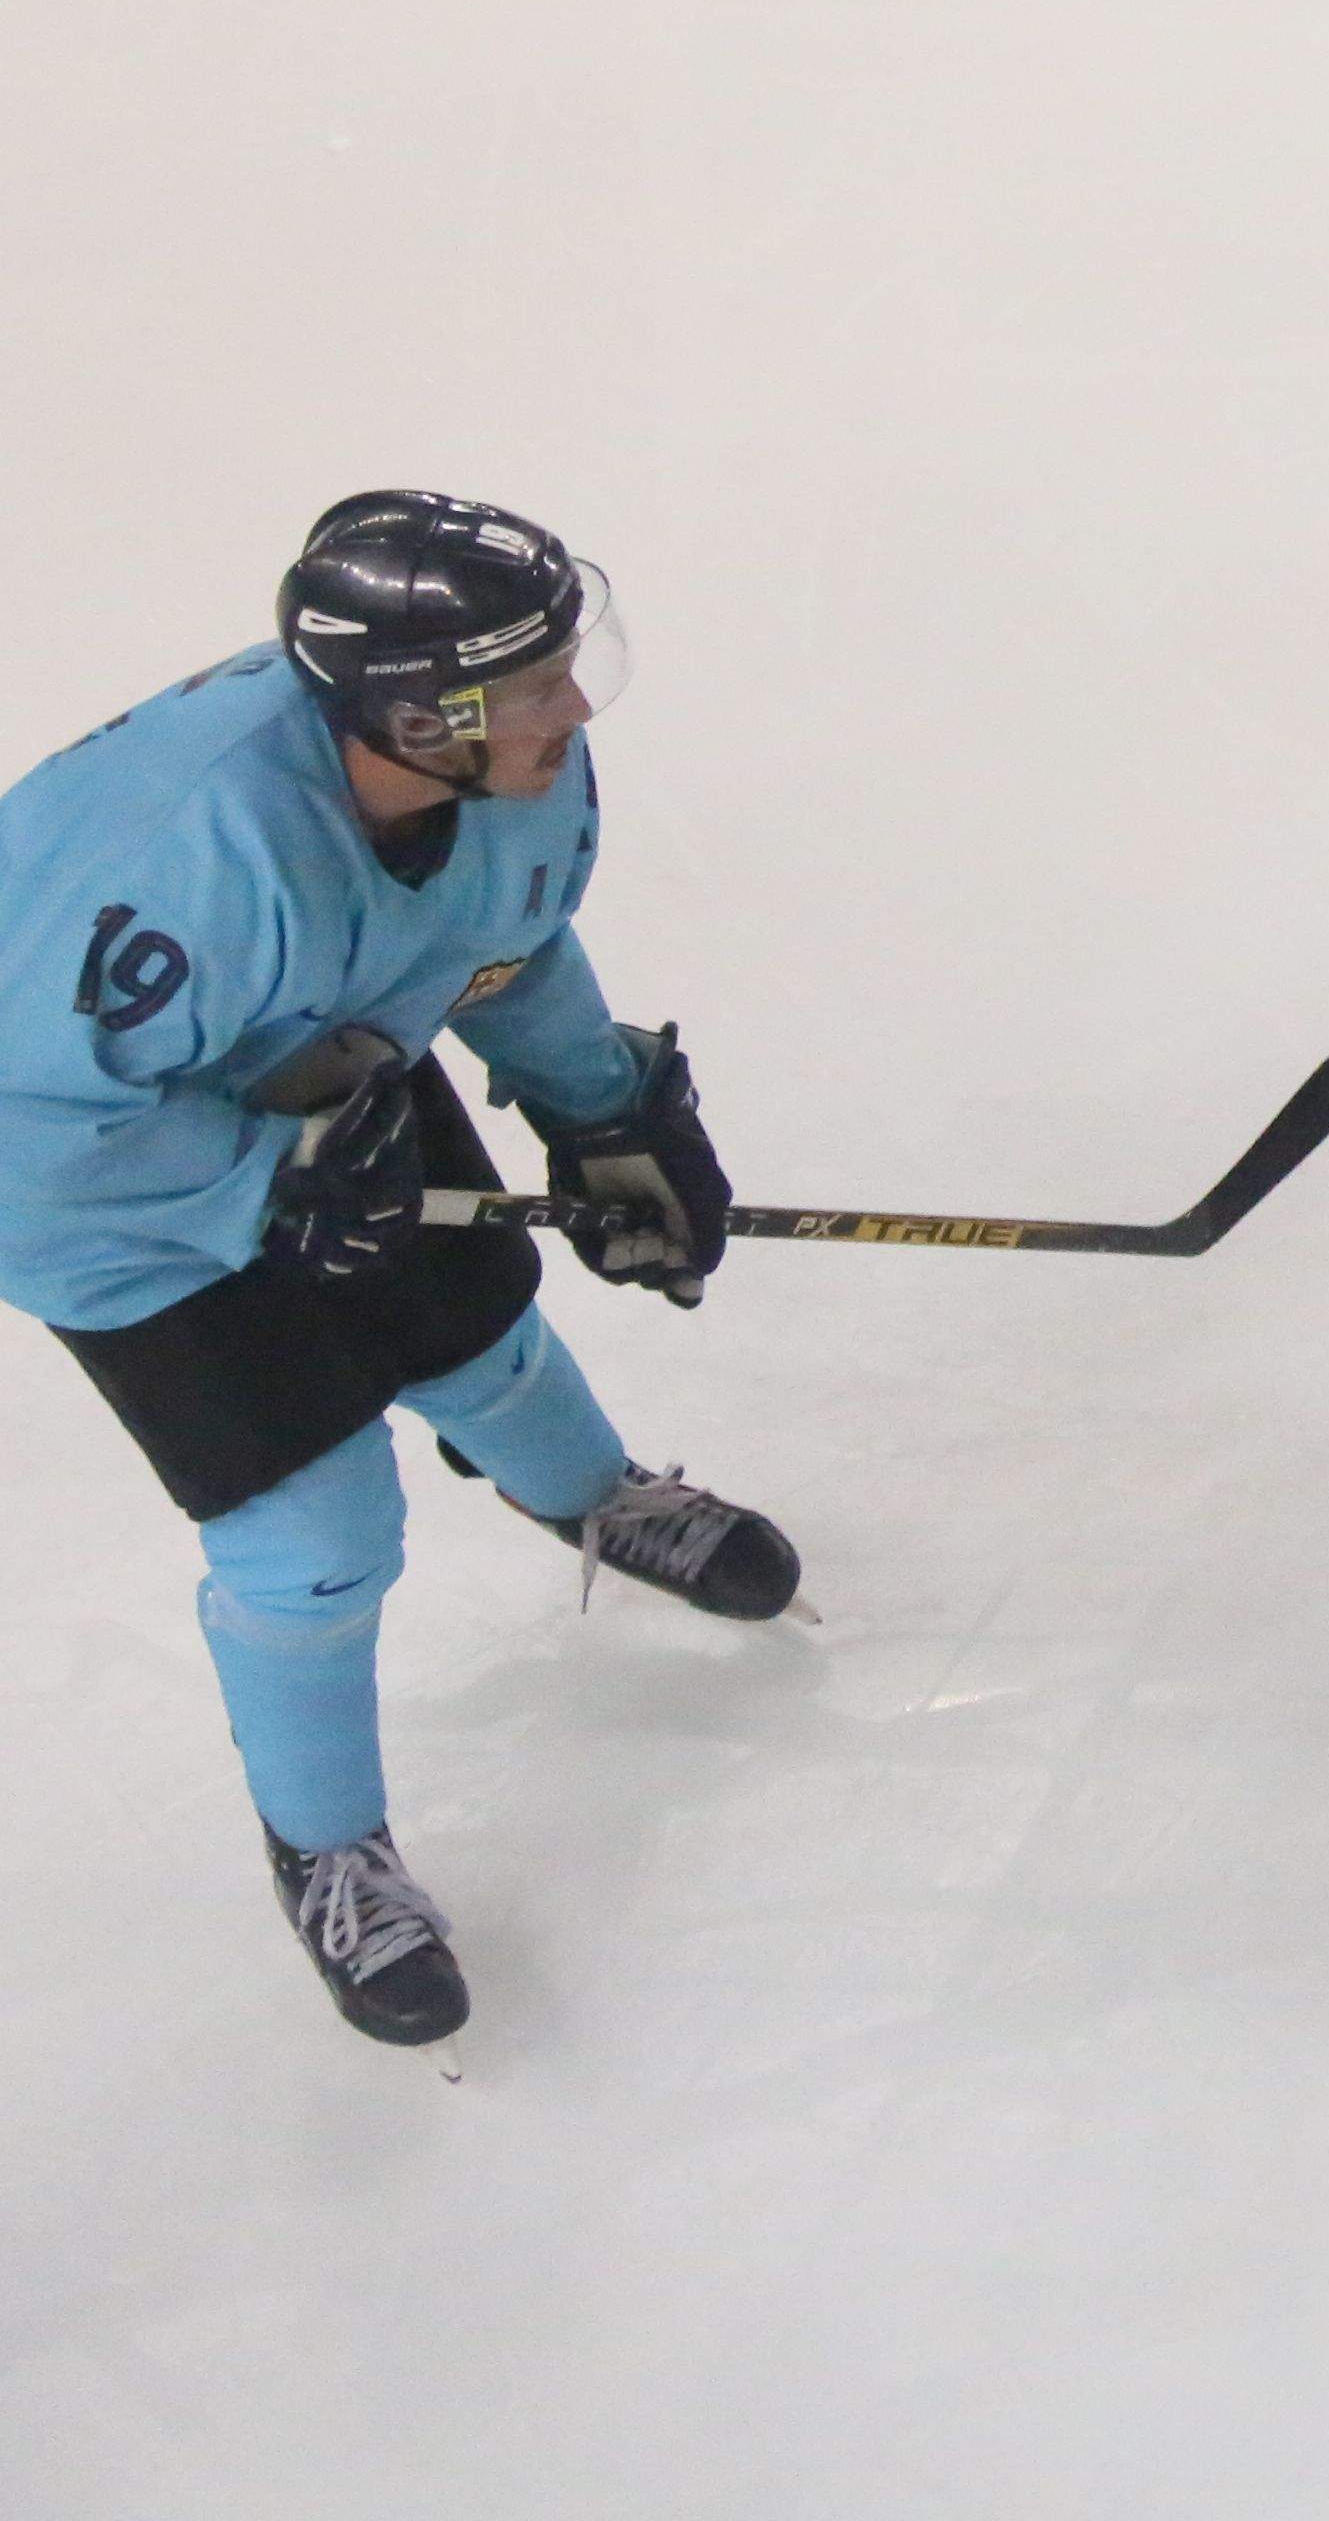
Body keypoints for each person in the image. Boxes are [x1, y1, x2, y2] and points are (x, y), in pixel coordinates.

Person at [2, 495, 793, 2052]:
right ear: (421, 714)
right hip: (108, 1204)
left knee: (483, 1338)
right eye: (537, 683)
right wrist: (246, 1191)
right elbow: (21, 1137)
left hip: (320, 1071)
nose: (575, 706)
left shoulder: (502, 772)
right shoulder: (176, 868)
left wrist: (601, 1106)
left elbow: (496, 945)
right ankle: (330, 1850)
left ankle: (596, 1492)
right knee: (314, 1535)